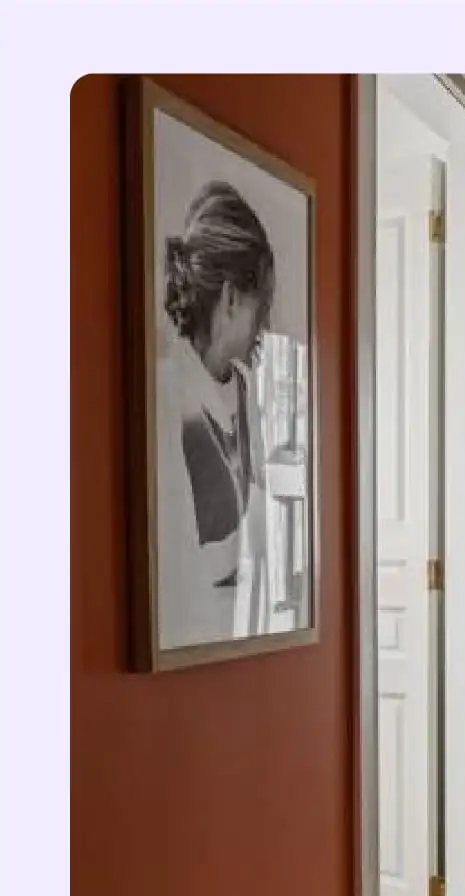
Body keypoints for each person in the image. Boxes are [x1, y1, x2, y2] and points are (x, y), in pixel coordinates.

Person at [154, 180, 276, 651]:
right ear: (230, 299)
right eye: (259, 305)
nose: (264, 324)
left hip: (236, 639)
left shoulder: (245, 392)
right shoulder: (168, 393)